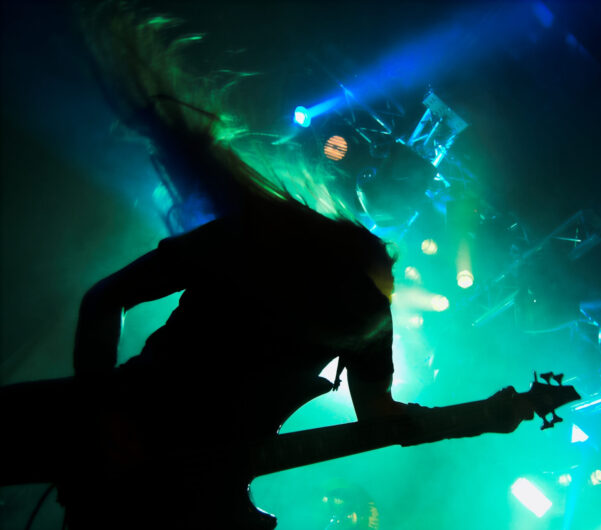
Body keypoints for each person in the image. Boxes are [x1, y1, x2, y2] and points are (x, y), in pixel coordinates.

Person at [1, 3, 413, 528]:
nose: (390, 286)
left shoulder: (355, 301)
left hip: (176, 462)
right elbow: (106, 298)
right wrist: (106, 417)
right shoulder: (264, 247)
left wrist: (482, 417)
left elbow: (378, 413)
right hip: (134, 417)